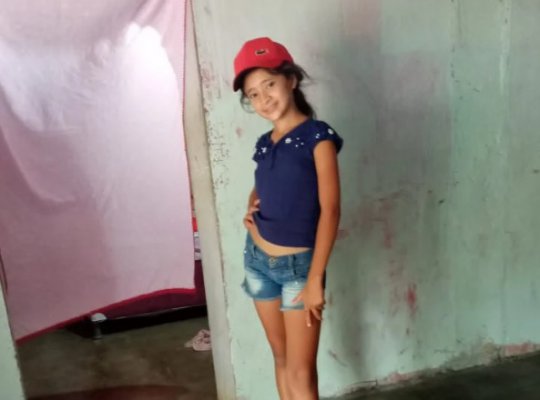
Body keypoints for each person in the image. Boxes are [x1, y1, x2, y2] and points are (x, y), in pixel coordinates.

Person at [233, 37, 343, 400]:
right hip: (256, 260)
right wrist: (251, 205)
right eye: (253, 94)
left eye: (269, 85)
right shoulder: (265, 143)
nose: (263, 99)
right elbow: (263, 182)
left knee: (300, 371)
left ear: (291, 80)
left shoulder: (317, 137)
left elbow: (331, 210)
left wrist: (315, 279)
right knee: (280, 357)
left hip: (299, 268)